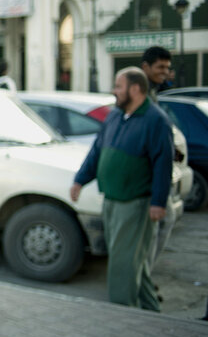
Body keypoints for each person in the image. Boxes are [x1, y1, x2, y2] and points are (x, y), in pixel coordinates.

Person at [70, 67, 173, 312]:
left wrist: (159, 202)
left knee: (122, 263)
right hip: (112, 201)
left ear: (135, 89)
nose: (114, 91)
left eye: (118, 86)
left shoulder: (156, 120)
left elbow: (163, 164)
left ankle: (122, 314)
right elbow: (97, 152)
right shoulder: (115, 116)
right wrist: (80, 180)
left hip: (136, 204)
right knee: (133, 263)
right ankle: (151, 313)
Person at [140, 46, 176, 283]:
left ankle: (145, 277)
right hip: (144, 174)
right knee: (152, 229)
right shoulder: (138, 92)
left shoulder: (152, 91)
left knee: (162, 224)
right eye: (160, 67)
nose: (165, 72)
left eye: (167, 67)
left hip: (154, 171)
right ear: (146, 67)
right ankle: (143, 280)